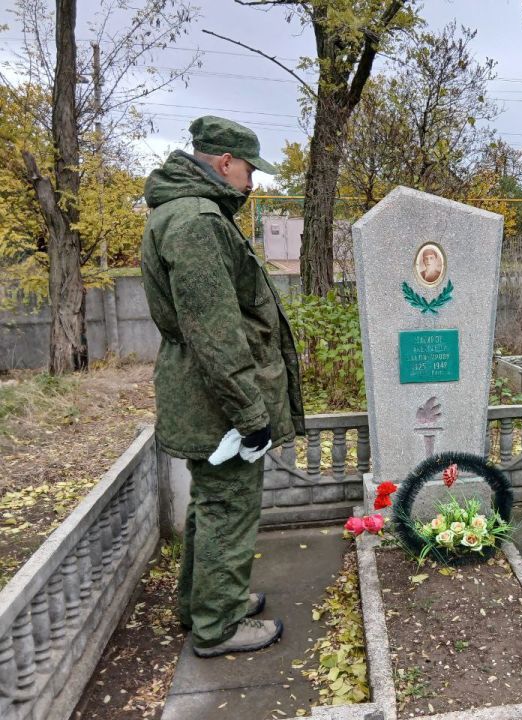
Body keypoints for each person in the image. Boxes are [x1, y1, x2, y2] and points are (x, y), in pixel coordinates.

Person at [141, 116, 304, 657]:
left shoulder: (183, 212)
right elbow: (215, 333)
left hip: (200, 394)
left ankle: (205, 605)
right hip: (215, 403)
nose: (252, 183)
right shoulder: (197, 221)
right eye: (249, 169)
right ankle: (219, 626)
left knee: (212, 504)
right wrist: (249, 414)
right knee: (229, 506)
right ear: (225, 162)